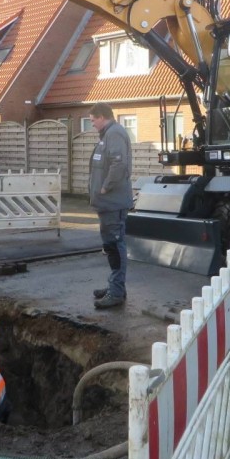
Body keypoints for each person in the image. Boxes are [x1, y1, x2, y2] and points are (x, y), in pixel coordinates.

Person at [87, 102, 133, 310]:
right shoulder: (107, 135)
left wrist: (105, 188)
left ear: (102, 117)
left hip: (113, 203)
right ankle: (116, 286)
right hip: (107, 204)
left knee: (115, 247)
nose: (92, 124)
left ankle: (116, 292)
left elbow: (118, 164)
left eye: (93, 120)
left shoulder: (114, 134)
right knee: (111, 246)